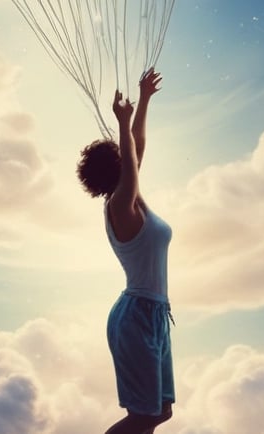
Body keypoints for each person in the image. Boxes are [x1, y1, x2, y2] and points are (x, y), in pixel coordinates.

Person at [75, 68, 174, 434]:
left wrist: (144, 99)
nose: (128, 154)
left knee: (160, 412)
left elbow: (137, 149)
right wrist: (123, 120)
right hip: (135, 318)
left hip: (155, 314)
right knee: (143, 417)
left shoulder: (132, 201)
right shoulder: (120, 206)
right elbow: (133, 157)